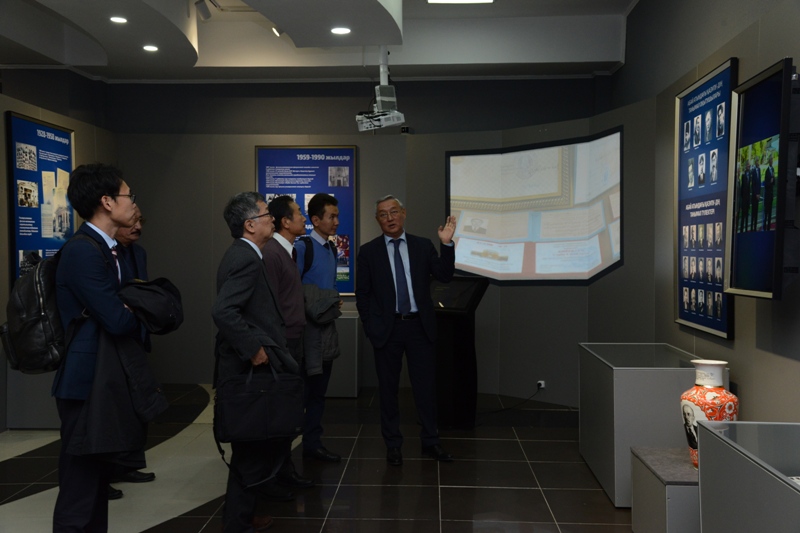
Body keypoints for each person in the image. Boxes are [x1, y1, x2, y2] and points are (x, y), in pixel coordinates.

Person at [52, 163, 142, 531]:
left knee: (97, 484)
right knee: (79, 485)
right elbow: (118, 319)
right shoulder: (83, 251)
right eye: (128, 195)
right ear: (107, 202)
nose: (134, 203)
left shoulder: (109, 248)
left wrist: (128, 308)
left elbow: (122, 310)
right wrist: (133, 309)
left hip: (103, 377)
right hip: (85, 381)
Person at [212, 192, 299, 532]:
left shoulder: (246, 253)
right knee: (249, 450)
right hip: (247, 369)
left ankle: (243, 515)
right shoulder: (246, 258)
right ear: (250, 225)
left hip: (249, 367)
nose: (272, 219)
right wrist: (253, 348)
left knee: (252, 447)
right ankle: (238, 523)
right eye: (265, 214)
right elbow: (223, 311)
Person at [355, 195, 457, 466]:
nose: (389, 218)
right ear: (377, 220)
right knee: (388, 391)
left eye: (394, 212)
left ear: (404, 213)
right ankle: (393, 445)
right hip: (387, 330)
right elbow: (363, 294)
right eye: (383, 214)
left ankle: (430, 441)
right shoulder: (368, 252)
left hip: (419, 327)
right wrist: (370, 326)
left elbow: (445, 275)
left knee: (425, 389)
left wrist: (446, 244)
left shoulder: (423, 246)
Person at [262, 195, 315, 493]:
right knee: (278, 412)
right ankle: (273, 477)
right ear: (285, 221)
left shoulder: (289, 251)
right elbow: (268, 305)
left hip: (293, 340)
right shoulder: (272, 254)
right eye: (298, 214)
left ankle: (284, 471)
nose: (303, 218)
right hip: (281, 344)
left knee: (288, 411)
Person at [109, 206, 156, 495]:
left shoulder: (139, 253)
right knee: (111, 410)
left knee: (136, 404)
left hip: (136, 336)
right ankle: (104, 472)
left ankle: (127, 464)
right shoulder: (105, 253)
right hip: (113, 337)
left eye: (140, 222)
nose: (137, 227)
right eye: (132, 222)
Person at [294, 193, 342, 463]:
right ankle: (283, 451)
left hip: (326, 330)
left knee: (318, 393)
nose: (336, 222)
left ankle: (312, 444)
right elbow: (292, 291)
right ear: (315, 220)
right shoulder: (303, 248)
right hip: (306, 333)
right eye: (331, 217)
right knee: (301, 394)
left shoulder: (331, 249)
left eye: (337, 216)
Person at [763, 154, 775, 230]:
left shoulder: (773, 169)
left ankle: (768, 228)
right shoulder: (767, 171)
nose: (772, 161)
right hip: (767, 196)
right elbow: (766, 184)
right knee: (766, 213)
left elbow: (774, 182)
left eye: (772, 160)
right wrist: (770, 182)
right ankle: (764, 227)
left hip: (771, 195)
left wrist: (773, 177)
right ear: (769, 161)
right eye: (771, 160)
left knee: (770, 213)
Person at [750, 157, 761, 231]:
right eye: (757, 161)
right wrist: (756, 194)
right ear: (755, 162)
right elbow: (753, 185)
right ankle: (752, 227)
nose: (758, 163)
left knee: (756, 212)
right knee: (753, 212)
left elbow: (759, 183)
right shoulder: (753, 171)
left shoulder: (759, 170)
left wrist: (759, 193)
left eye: (758, 161)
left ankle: (755, 227)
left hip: (758, 195)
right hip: (754, 196)